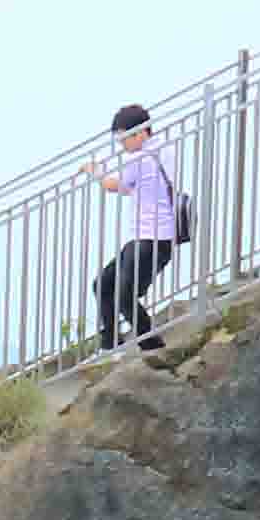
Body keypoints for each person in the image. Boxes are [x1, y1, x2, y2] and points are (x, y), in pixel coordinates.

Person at [91, 103, 192, 357]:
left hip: (150, 239)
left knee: (121, 293)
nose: (122, 145)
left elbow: (114, 186)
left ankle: (148, 347)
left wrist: (95, 173)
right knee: (105, 283)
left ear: (141, 133)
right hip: (152, 238)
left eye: (125, 137)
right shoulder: (165, 149)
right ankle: (113, 342)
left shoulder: (138, 158)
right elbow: (132, 187)